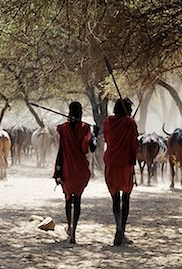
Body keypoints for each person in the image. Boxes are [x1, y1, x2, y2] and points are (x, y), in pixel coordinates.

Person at [53, 101, 96, 244]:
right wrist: (94, 134)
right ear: (81, 114)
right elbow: (91, 148)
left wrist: (57, 171)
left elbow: (60, 151)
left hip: (66, 170)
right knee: (77, 200)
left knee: (67, 199)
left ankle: (69, 226)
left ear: (69, 113)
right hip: (80, 171)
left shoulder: (64, 128)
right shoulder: (85, 128)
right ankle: (74, 232)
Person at [103, 97, 139, 246]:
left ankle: (117, 225)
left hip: (111, 164)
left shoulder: (107, 122)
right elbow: (134, 144)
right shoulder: (130, 123)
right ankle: (122, 231)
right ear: (126, 110)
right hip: (125, 164)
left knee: (115, 199)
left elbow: (107, 138)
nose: (131, 111)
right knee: (126, 198)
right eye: (129, 109)